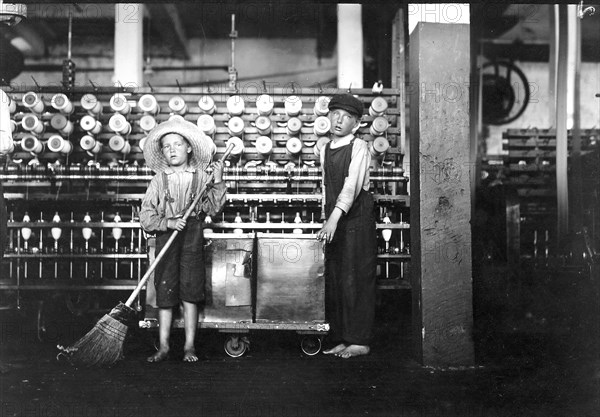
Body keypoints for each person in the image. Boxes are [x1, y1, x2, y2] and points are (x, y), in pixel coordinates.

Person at [140, 116, 226, 363]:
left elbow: (213, 209)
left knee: (190, 292)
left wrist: (218, 181)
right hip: (167, 238)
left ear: (189, 147)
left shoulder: (202, 177)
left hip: (192, 237)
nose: (172, 150)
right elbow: (145, 216)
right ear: (162, 153)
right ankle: (164, 346)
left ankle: (189, 347)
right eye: (167, 146)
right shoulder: (159, 180)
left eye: (177, 144)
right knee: (165, 294)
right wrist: (167, 222)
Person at [317, 93, 377, 359]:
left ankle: (360, 341)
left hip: (356, 220)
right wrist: (325, 216)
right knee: (337, 279)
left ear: (357, 124)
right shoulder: (326, 148)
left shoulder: (359, 147)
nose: (339, 120)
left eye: (347, 117)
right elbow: (326, 187)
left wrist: (333, 218)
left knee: (356, 278)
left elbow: (351, 188)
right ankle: (344, 337)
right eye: (335, 114)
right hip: (336, 219)